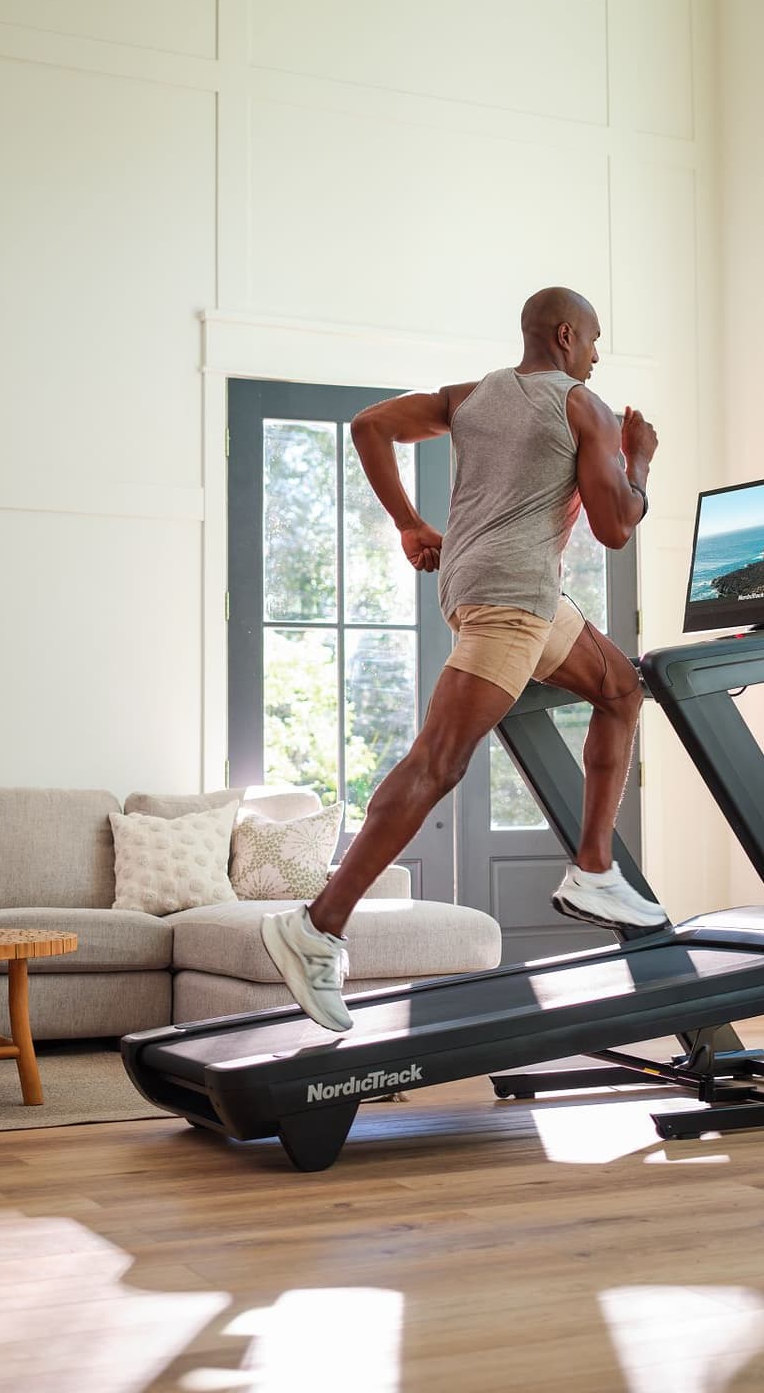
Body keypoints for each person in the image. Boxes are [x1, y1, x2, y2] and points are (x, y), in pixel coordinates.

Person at [261, 287, 664, 1032]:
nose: (600, 357)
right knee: (438, 763)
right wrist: (636, 461)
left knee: (621, 689)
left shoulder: (473, 396)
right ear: (568, 335)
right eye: (597, 341)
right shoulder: (585, 406)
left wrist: (410, 524)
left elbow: (370, 425)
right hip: (512, 598)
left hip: (504, 591)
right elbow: (615, 528)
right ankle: (315, 925)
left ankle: (596, 869)